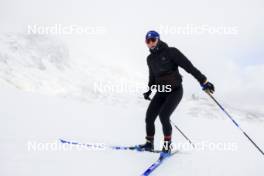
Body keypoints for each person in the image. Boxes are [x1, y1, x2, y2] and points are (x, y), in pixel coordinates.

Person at [137, 30, 215, 154]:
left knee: (164, 116)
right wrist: (149, 90)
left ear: (158, 39)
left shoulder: (171, 52)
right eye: (148, 41)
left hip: (175, 91)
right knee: (149, 117)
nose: (150, 43)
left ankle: (167, 146)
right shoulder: (150, 59)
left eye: (153, 40)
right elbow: (152, 77)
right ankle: (149, 144)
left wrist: (203, 81)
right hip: (161, 91)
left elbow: (189, 67)